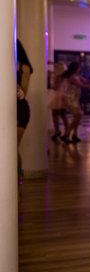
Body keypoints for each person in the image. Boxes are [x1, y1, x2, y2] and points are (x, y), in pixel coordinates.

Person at [61, 62, 90, 143]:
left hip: (75, 99)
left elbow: (85, 81)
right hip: (70, 99)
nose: (79, 69)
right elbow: (82, 85)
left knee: (78, 116)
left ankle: (74, 135)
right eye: (79, 67)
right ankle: (67, 134)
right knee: (78, 115)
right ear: (75, 68)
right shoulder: (72, 77)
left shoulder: (77, 76)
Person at [16, 40, 32, 182]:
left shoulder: (24, 68)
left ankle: (18, 176)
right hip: (7, 109)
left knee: (13, 147)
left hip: (20, 109)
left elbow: (23, 91)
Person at [48, 62, 70, 142]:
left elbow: (54, 87)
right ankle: (67, 132)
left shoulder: (57, 77)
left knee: (54, 114)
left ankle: (57, 130)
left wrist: (50, 79)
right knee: (64, 115)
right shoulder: (66, 77)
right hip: (64, 95)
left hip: (57, 95)